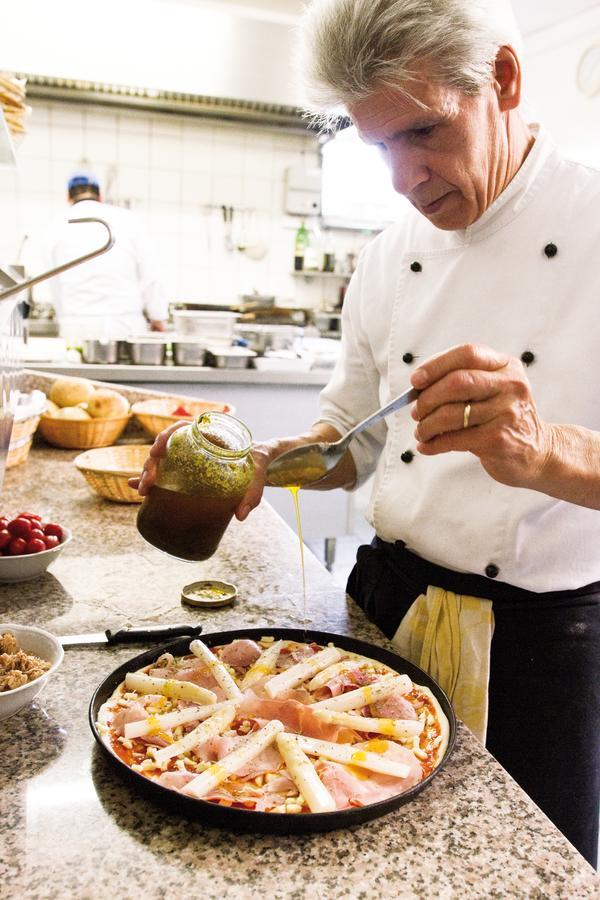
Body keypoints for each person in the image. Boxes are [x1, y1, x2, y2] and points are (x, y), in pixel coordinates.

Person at [134, 0, 600, 866]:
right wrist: (260, 462)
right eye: (379, 145)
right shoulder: (389, 254)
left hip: (542, 645)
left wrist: (544, 452)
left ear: (503, 80)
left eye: (425, 131)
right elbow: (351, 441)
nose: (404, 177)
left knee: (525, 875)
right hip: (385, 602)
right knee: (360, 865)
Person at [43, 172, 168, 340]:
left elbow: (54, 283)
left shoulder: (56, 226)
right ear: (100, 195)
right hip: (125, 326)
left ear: (68, 197)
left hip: (76, 328)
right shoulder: (129, 220)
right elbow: (150, 274)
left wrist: (65, 318)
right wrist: (157, 316)